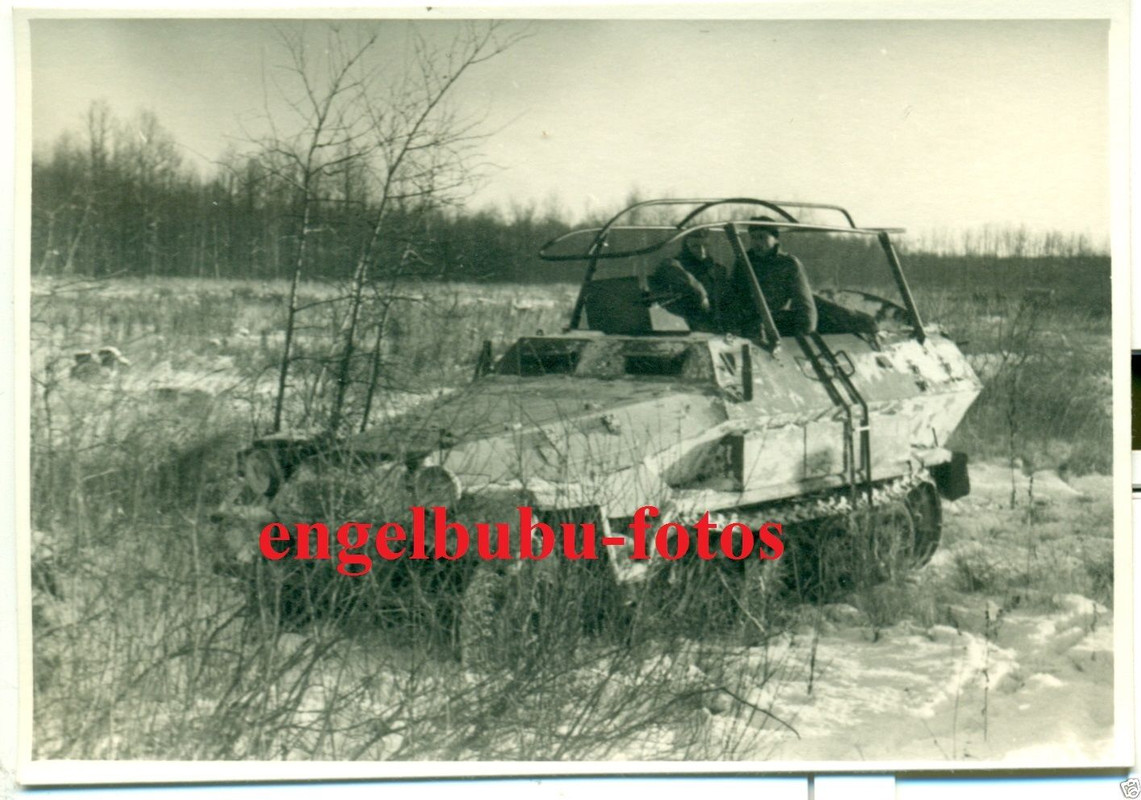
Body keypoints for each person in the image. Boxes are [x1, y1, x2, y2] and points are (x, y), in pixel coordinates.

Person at [734, 216, 818, 337]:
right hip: (749, 324)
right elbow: (734, 297)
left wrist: (806, 334)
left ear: (775, 239)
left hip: (777, 323)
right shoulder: (743, 262)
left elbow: (804, 304)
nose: (757, 243)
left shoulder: (788, 264)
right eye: (753, 237)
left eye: (762, 237)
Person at [647, 228, 730, 333]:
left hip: (715, 329)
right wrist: (700, 293)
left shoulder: (718, 271)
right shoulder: (673, 266)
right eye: (695, 246)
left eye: (705, 245)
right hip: (683, 329)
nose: (702, 251)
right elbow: (672, 269)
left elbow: (726, 303)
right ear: (686, 247)